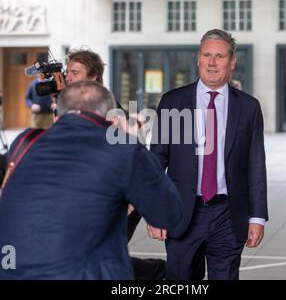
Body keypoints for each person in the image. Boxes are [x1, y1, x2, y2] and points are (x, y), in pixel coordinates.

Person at [0, 80, 182, 280]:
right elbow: (169, 215)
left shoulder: (25, 141)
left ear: (58, 112)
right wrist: (133, 142)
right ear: (112, 118)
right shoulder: (122, 150)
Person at [149, 29, 268, 280]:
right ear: (198, 58)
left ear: (232, 61)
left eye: (220, 56)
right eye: (207, 55)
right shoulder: (173, 102)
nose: (212, 63)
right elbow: (157, 160)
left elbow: (255, 164)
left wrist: (257, 217)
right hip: (182, 213)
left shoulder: (248, 107)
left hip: (229, 214)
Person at [65, 49, 167, 279]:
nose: (68, 77)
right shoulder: (70, 108)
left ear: (92, 77)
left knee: (99, 256)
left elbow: (133, 155)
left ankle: (157, 272)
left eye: (74, 72)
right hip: (93, 197)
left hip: (122, 197)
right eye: (67, 72)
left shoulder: (110, 111)